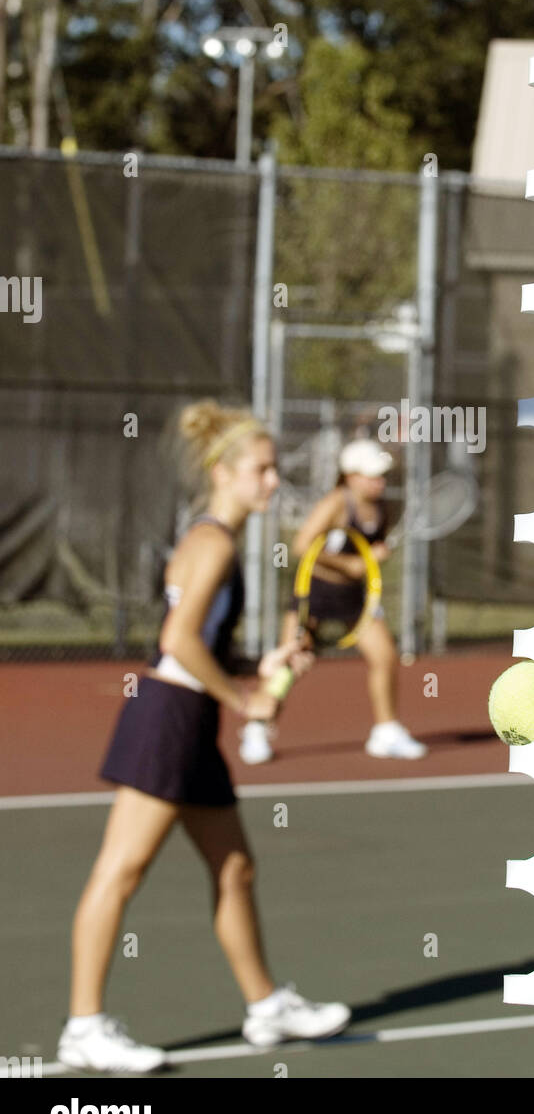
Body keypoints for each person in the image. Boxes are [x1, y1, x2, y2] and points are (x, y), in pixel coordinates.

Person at [57, 402, 351, 1074]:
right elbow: (176, 641)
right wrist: (243, 698)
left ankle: (266, 1006)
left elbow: (203, 642)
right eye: (263, 469)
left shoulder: (208, 536)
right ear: (224, 472)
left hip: (188, 721)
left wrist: (258, 667)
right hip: (168, 719)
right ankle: (83, 1026)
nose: (274, 482)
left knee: (235, 868)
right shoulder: (215, 542)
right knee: (121, 871)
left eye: (274, 469)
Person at [242, 438, 426, 763]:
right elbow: (302, 546)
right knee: (288, 665)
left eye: (382, 475)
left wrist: (372, 560)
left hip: (355, 598)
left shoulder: (384, 507)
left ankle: (386, 731)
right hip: (315, 594)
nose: (379, 481)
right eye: (372, 475)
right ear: (351, 476)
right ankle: (258, 727)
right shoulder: (336, 503)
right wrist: (354, 564)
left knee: (385, 656)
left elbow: (370, 554)